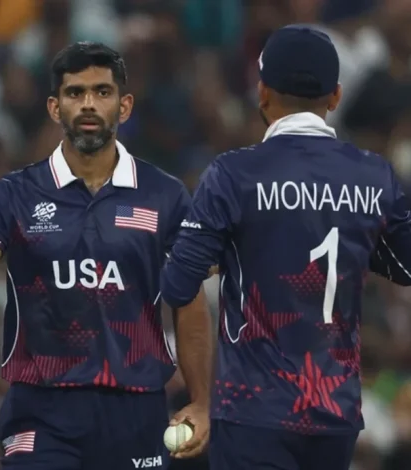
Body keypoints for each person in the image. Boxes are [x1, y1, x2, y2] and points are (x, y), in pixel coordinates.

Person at [0, 42, 212, 470]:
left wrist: (201, 402)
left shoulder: (164, 195)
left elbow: (189, 303)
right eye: (75, 93)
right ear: (55, 108)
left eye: (102, 92)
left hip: (135, 410)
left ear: (124, 106)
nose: (89, 104)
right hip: (41, 410)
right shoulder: (14, 195)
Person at [160, 25, 411, 470]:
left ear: (262, 92)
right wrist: (350, 237)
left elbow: (178, 284)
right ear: (335, 97)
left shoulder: (233, 175)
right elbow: (405, 267)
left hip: (253, 410)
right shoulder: (375, 175)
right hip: (335, 413)